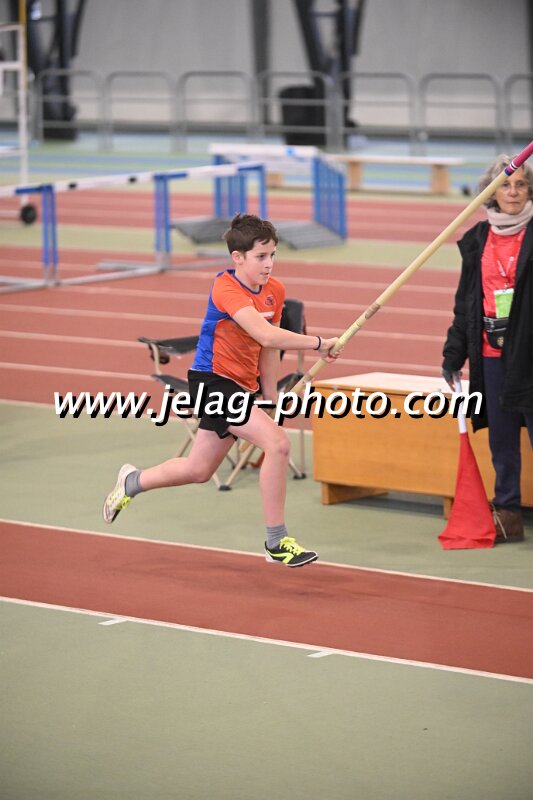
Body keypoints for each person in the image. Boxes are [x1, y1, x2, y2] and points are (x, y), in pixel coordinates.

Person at [103, 213, 340, 567]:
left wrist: (271, 397)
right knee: (278, 444)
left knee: (199, 469)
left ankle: (132, 481)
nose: (269, 264)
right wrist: (320, 343)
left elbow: (269, 351)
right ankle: (276, 541)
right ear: (238, 257)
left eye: (273, 255)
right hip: (211, 382)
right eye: (261, 257)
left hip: (242, 386)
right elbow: (265, 335)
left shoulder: (275, 290)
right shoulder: (225, 288)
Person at [442, 155, 533, 543]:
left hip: (529, 355)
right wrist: (453, 353)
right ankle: (508, 513)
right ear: (491, 192)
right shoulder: (477, 238)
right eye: (504, 185)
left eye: (521, 185)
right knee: (502, 440)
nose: (513, 192)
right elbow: (466, 302)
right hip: (491, 354)